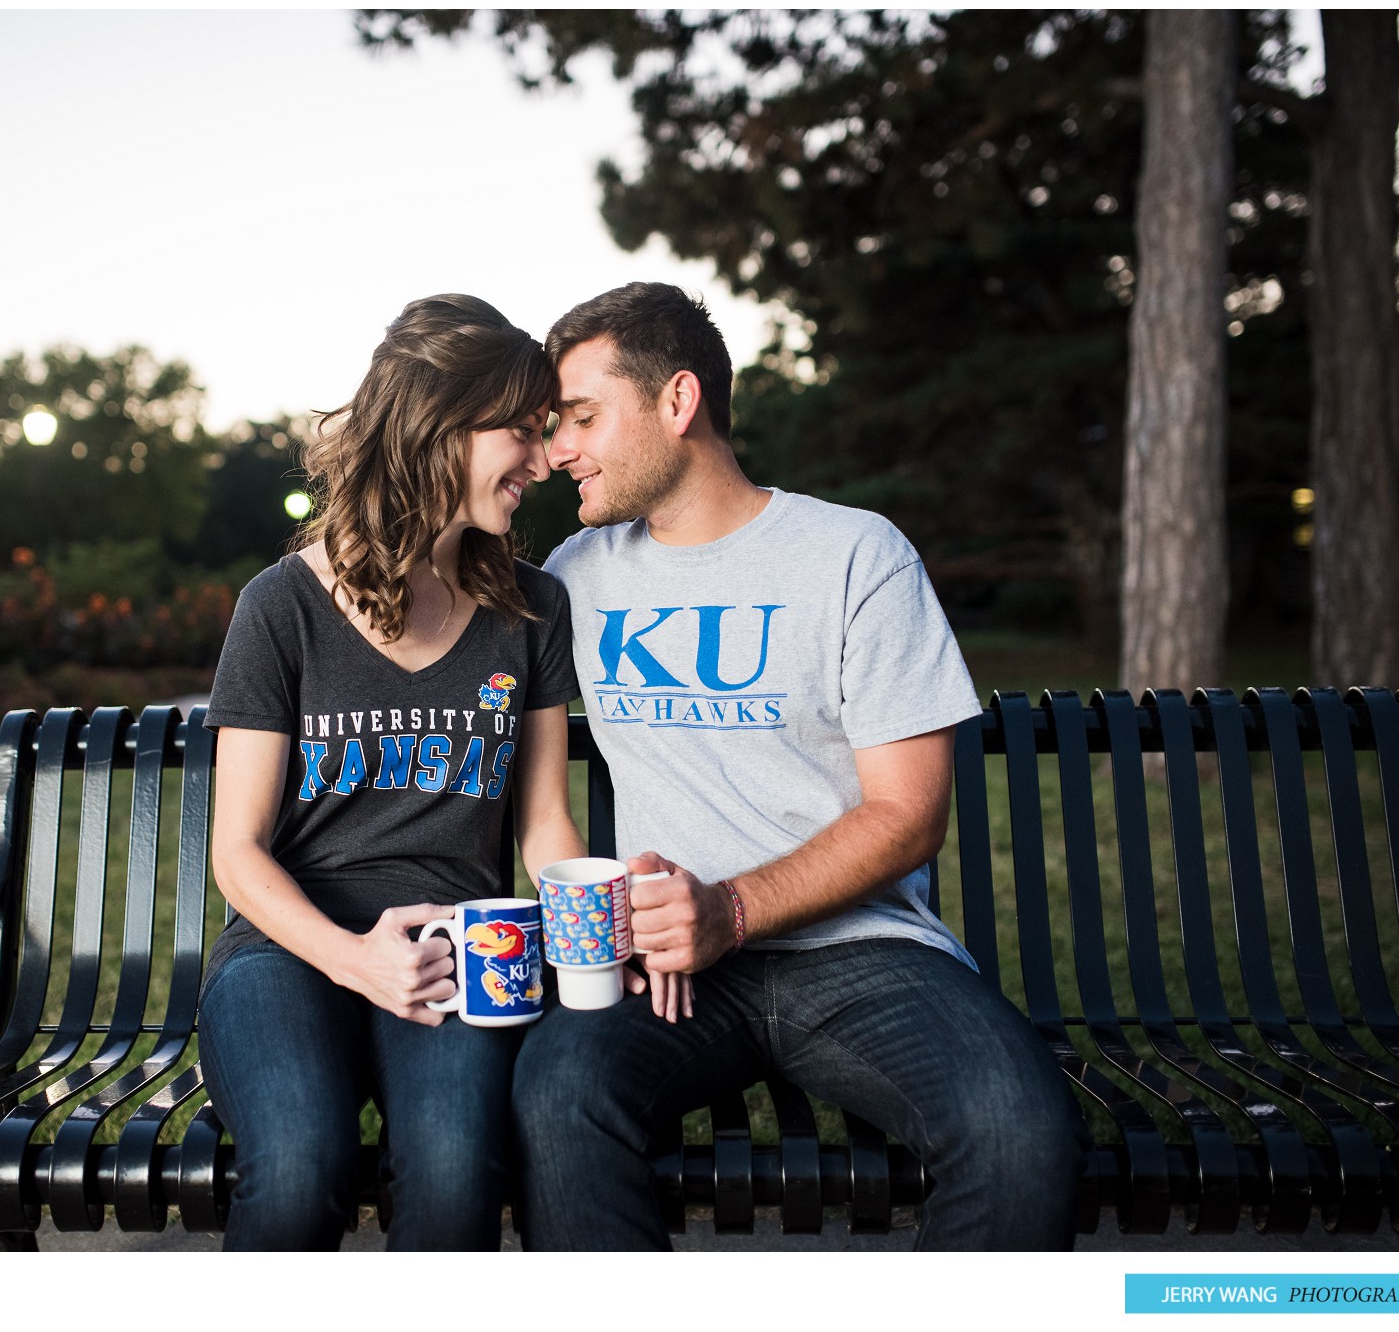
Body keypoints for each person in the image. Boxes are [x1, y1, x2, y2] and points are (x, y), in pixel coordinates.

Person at [512, 281, 1089, 1251]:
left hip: (860, 953)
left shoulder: (854, 555)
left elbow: (906, 814)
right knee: (557, 1100)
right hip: (667, 974)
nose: (559, 449)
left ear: (678, 401)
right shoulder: (577, 573)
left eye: (580, 417)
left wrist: (729, 908)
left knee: (1019, 1134)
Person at [198, 294, 594, 1250]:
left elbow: (542, 825)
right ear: (436, 426)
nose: (543, 462)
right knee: (299, 1167)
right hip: (286, 949)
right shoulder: (280, 606)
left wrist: (592, 937)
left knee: (458, 1176)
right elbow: (239, 851)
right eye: (521, 432)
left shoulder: (530, 607)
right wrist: (355, 958)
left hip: (462, 953)